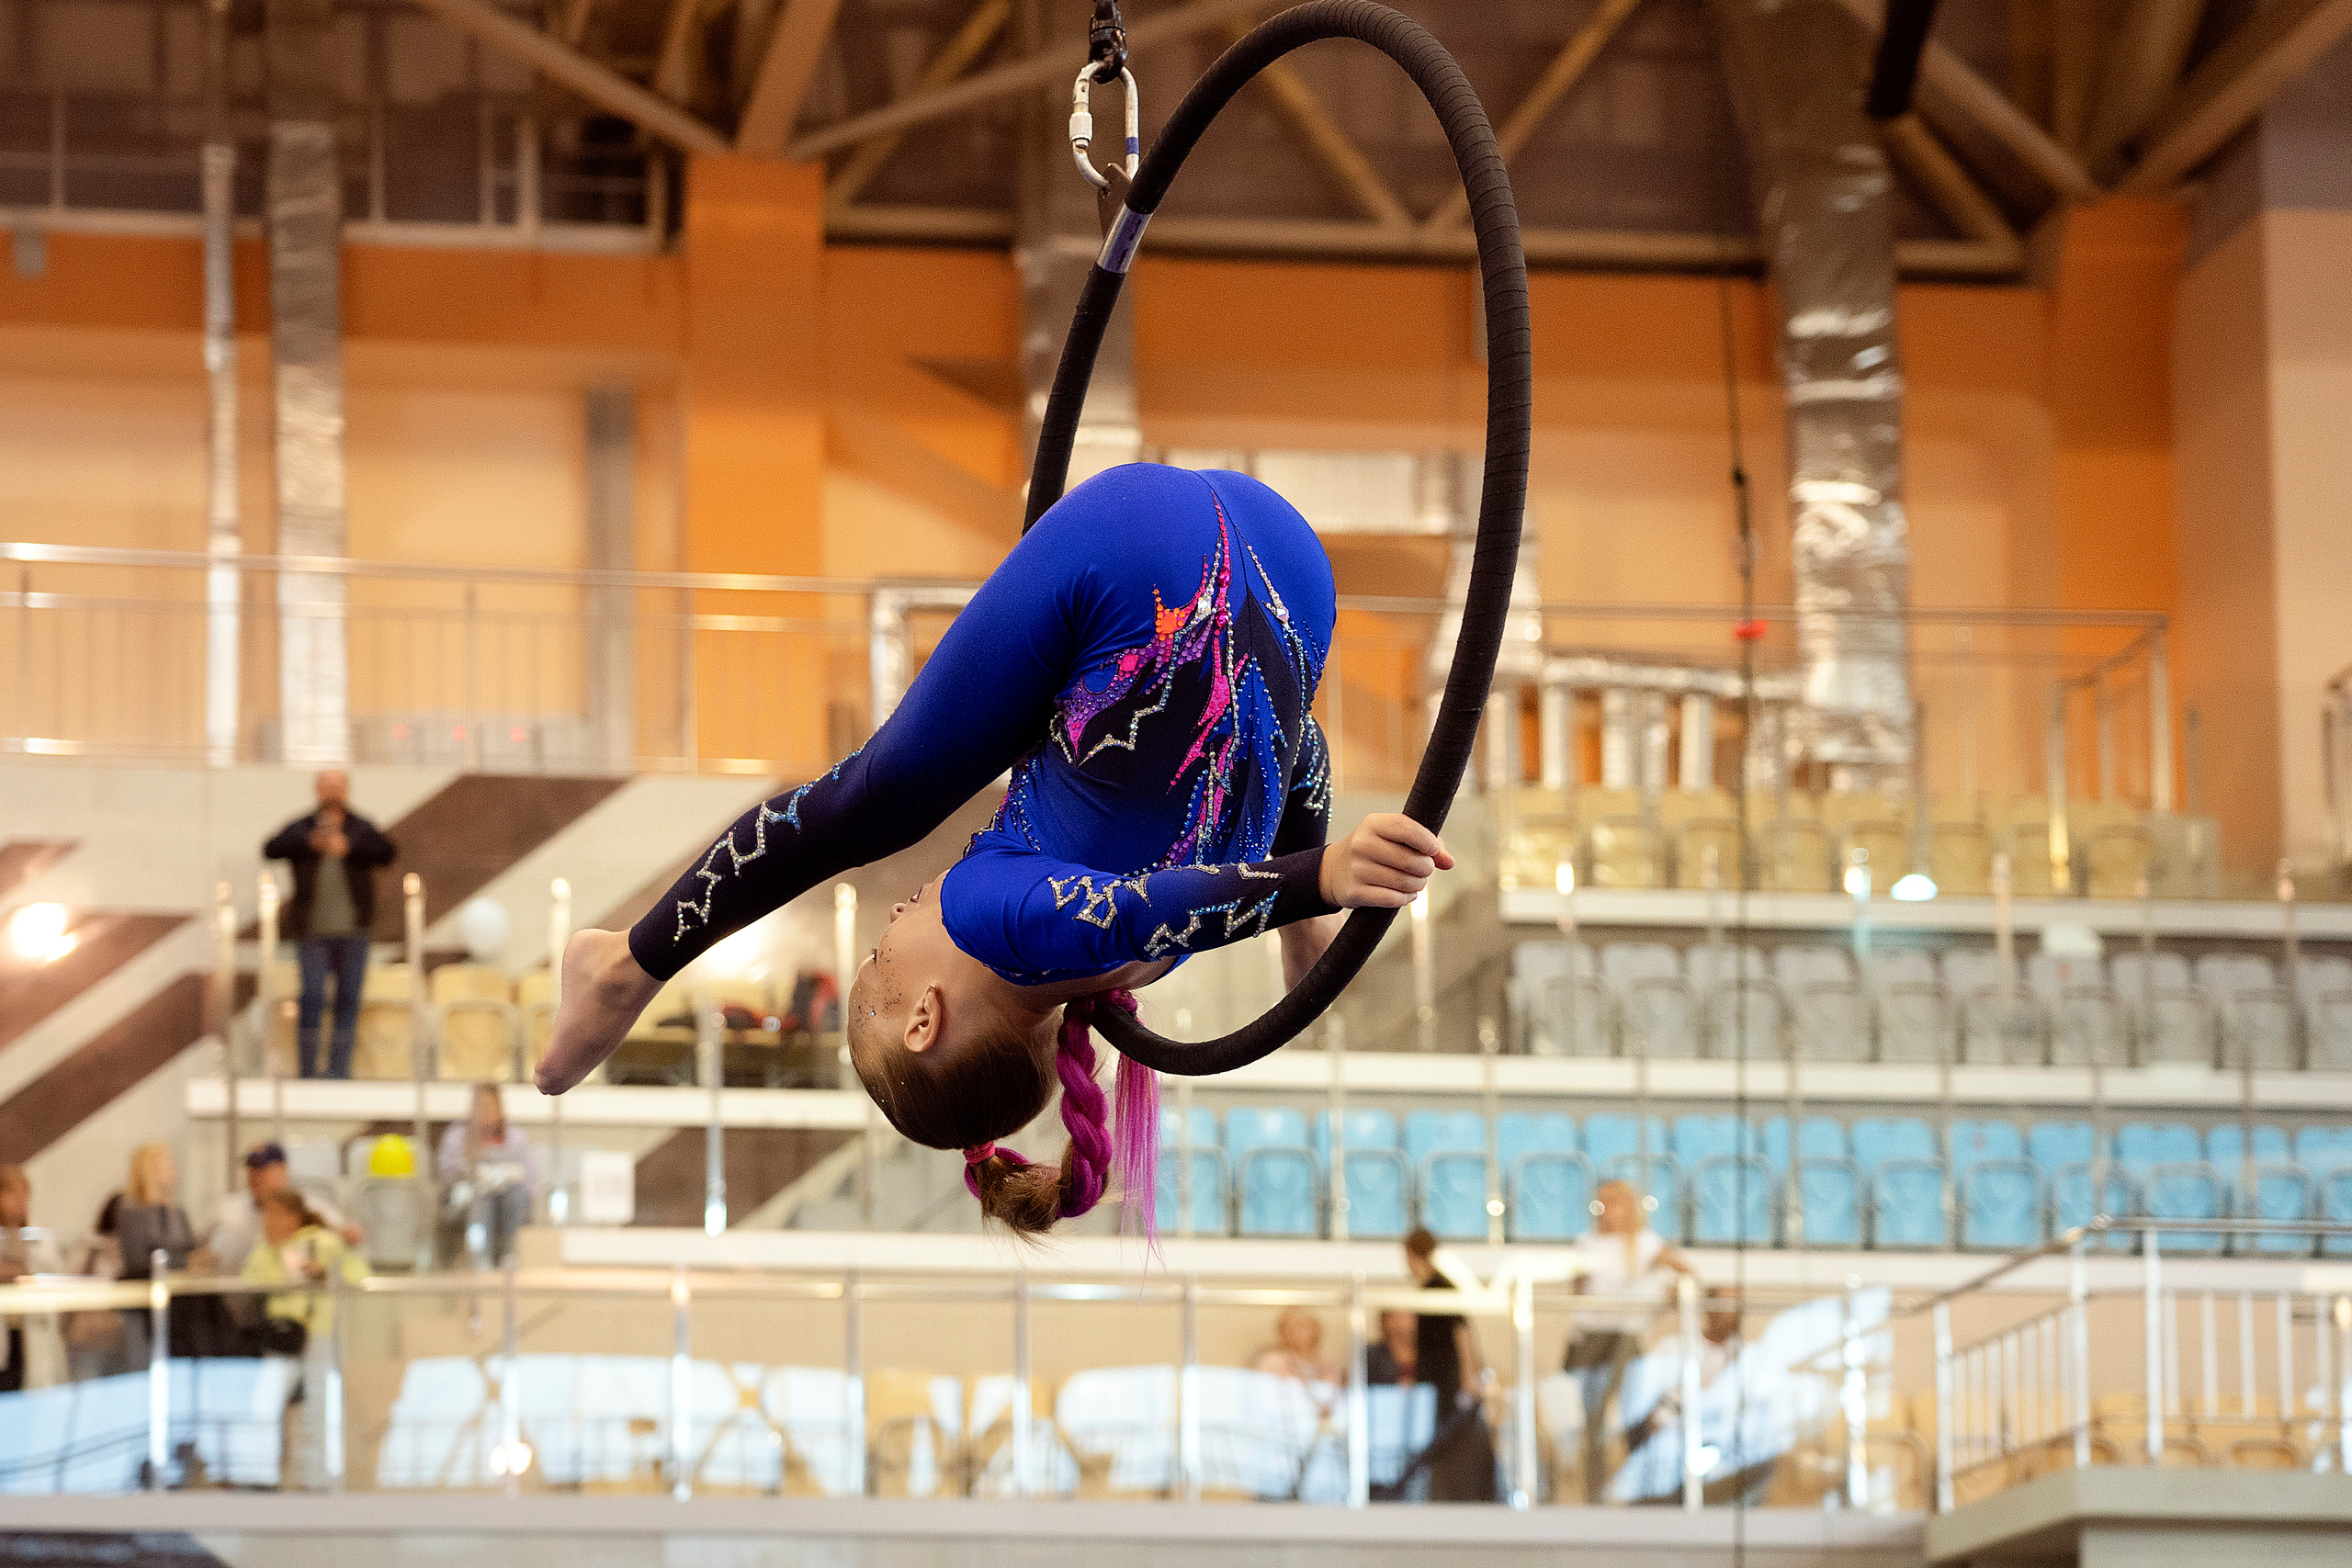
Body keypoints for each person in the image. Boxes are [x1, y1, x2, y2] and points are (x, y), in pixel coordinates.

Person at [540, 466, 1453, 1236]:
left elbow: (1299, 749)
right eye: (879, 962)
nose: (896, 915)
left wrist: (1296, 920)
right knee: (877, 802)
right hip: (1145, 547)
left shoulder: (1145, 965)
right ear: (925, 1017)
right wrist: (1317, 878)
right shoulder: (996, 922)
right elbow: (1135, 907)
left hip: (1293, 570)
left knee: (1048, 745)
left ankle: (625, 968)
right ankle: (626, 968)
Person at [1564, 1179, 1694, 1500]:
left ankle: (1635, 1486)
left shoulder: (1646, 1243)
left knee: (1629, 1414)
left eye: (1613, 1203)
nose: (1606, 1211)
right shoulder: (1587, 1243)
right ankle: (1594, 1489)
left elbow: (1685, 1272)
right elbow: (1577, 1291)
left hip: (1624, 1338)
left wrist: (1656, 1295)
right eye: (1601, 1204)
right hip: (1589, 1340)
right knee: (1590, 1420)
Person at [264, 770, 398, 1079]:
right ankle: (308, 1071)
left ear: (346, 790)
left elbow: (387, 852)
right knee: (312, 998)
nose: (333, 792)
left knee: (348, 1001)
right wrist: (310, 842)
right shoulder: (303, 827)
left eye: (338, 786)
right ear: (318, 790)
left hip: (354, 932)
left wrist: (349, 848)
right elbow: (271, 848)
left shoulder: (359, 827)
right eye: (327, 787)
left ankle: (339, 1071)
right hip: (312, 932)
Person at [1403, 1227, 1497, 1502]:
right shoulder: (1427, 1289)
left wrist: (1468, 1381)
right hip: (1434, 1380)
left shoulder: (1441, 1287)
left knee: (1455, 1440)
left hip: (1447, 1380)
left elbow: (1462, 1333)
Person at [115, 1143, 230, 1359]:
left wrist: (202, 1257)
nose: (174, 1170)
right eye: (168, 1164)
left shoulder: (178, 1212)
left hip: (185, 1301)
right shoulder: (131, 1211)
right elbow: (137, 1262)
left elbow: (188, 1249)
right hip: (152, 1305)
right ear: (151, 1169)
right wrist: (185, 1262)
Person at [239, 1189, 367, 1352]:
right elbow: (249, 1281)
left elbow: (358, 1276)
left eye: (275, 1216)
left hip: (318, 1331)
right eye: (266, 1216)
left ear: (294, 1217)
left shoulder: (323, 1242)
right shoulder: (263, 1248)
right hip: (277, 1330)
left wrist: (323, 1274)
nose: (269, 1222)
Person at [203, 1142, 359, 1276]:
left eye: (262, 1168)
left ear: (283, 1170)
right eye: (251, 1168)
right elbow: (201, 1246)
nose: (255, 1175)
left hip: (285, 1292)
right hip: (232, 1291)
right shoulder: (227, 1207)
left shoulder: (305, 1205)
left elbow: (348, 1233)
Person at [436, 1084, 540, 1267]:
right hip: (470, 1197)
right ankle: (480, 1256)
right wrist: (470, 1174)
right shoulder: (457, 1136)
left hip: (507, 1198)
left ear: (499, 1107)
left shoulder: (516, 1136)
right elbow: (445, 1172)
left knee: (516, 1195)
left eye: (490, 1106)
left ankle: (510, 1254)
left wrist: (508, 1176)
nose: (485, 1111)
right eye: (481, 1106)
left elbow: (531, 1177)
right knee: (481, 1198)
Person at [1, 1164, 66, 1392]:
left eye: (24, 1193)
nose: (19, 1200)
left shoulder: (39, 1239)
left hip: (32, 1328)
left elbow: (56, 1278)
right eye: (11, 1192)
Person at [63, 1192, 130, 1381]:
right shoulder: (90, 1249)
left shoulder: (136, 1253)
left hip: (123, 1341)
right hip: (87, 1341)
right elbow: (67, 1289)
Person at [1253, 1305, 1345, 1387]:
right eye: (1290, 1327)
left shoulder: (1330, 1367)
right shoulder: (1271, 1363)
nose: (1296, 1331)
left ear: (1315, 1328)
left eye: (1301, 1325)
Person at [1365, 1309, 1418, 1386]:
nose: (1399, 1324)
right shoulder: (1370, 1356)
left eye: (1402, 1317)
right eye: (1392, 1317)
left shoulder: (1430, 1354)